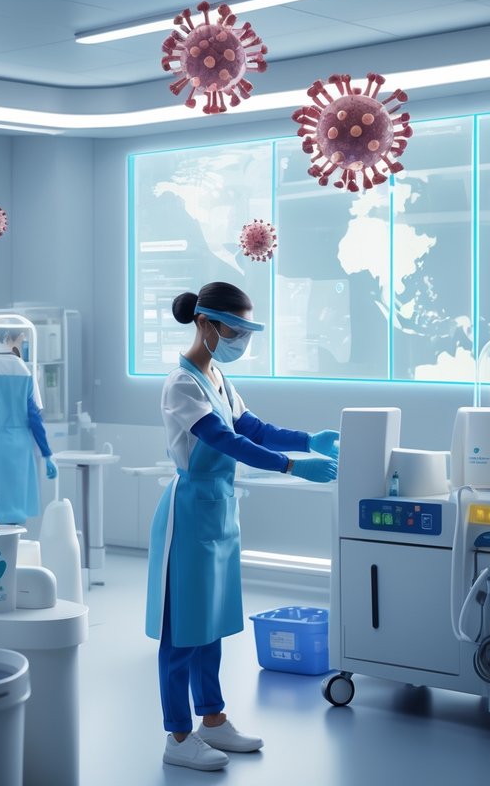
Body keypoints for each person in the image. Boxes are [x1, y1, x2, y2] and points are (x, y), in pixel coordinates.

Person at [146, 282, 339, 772]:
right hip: (189, 515)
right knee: (181, 632)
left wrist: (308, 441)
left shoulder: (218, 377)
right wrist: (291, 467)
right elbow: (223, 440)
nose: (241, 341)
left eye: (246, 332)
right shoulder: (182, 383)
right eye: (234, 330)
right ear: (205, 324)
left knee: (209, 625)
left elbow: (253, 428)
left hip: (218, 513)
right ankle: (178, 735)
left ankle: (213, 720)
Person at [0, 325, 56, 525]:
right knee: (16, 504)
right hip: (20, 445)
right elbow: (35, 417)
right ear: (12, 337)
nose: (22, 342)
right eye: (22, 338)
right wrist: (47, 455)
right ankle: (14, 551)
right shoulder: (27, 370)